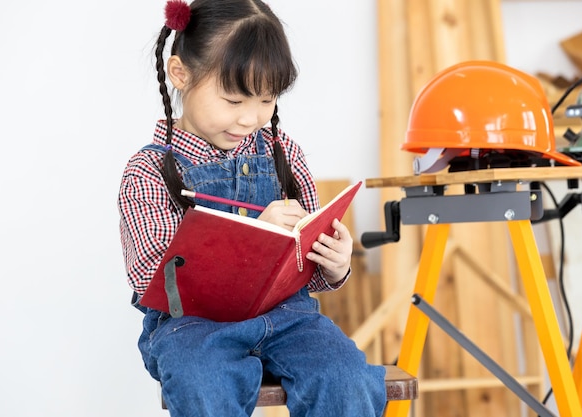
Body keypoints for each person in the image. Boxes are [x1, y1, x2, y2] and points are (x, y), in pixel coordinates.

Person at [117, 0, 387, 415]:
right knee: (201, 381)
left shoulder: (284, 155)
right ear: (180, 74)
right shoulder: (150, 170)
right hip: (194, 327)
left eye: (266, 100)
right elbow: (153, 276)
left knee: (346, 377)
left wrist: (334, 265)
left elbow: (307, 256)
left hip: (289, 317)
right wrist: (254, 234)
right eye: (233, 100)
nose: (250, 118)